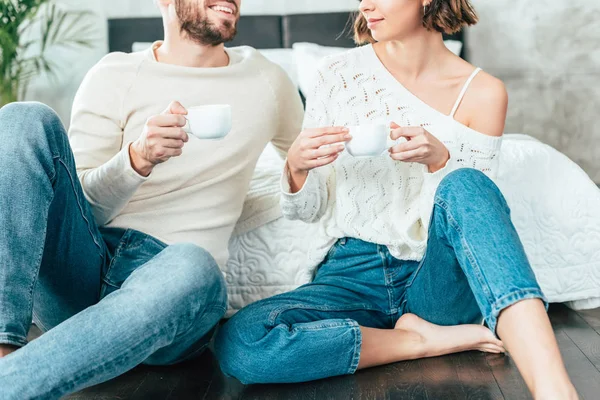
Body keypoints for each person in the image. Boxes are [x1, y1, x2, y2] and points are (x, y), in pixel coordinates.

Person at [215, 1, 578, 399]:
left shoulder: (485, 92)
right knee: (243, 342)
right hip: (351, 275)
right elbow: (309, 210)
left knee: (466, 183)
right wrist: (298, 168)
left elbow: (473, 218)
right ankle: (420, 342)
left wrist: (441, 161)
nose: (366, 4)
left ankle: (555, 391)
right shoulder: (336, 77)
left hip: (437, 282)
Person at [0, 0, 303, 397]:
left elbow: (313, 173)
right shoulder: (113, 74)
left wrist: (300, 169)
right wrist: (136, 160)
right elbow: (79, 207)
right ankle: (5, 350)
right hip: (88, 264)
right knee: (23, 118)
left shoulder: (266, 79)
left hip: (176, 287)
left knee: (193, 263)